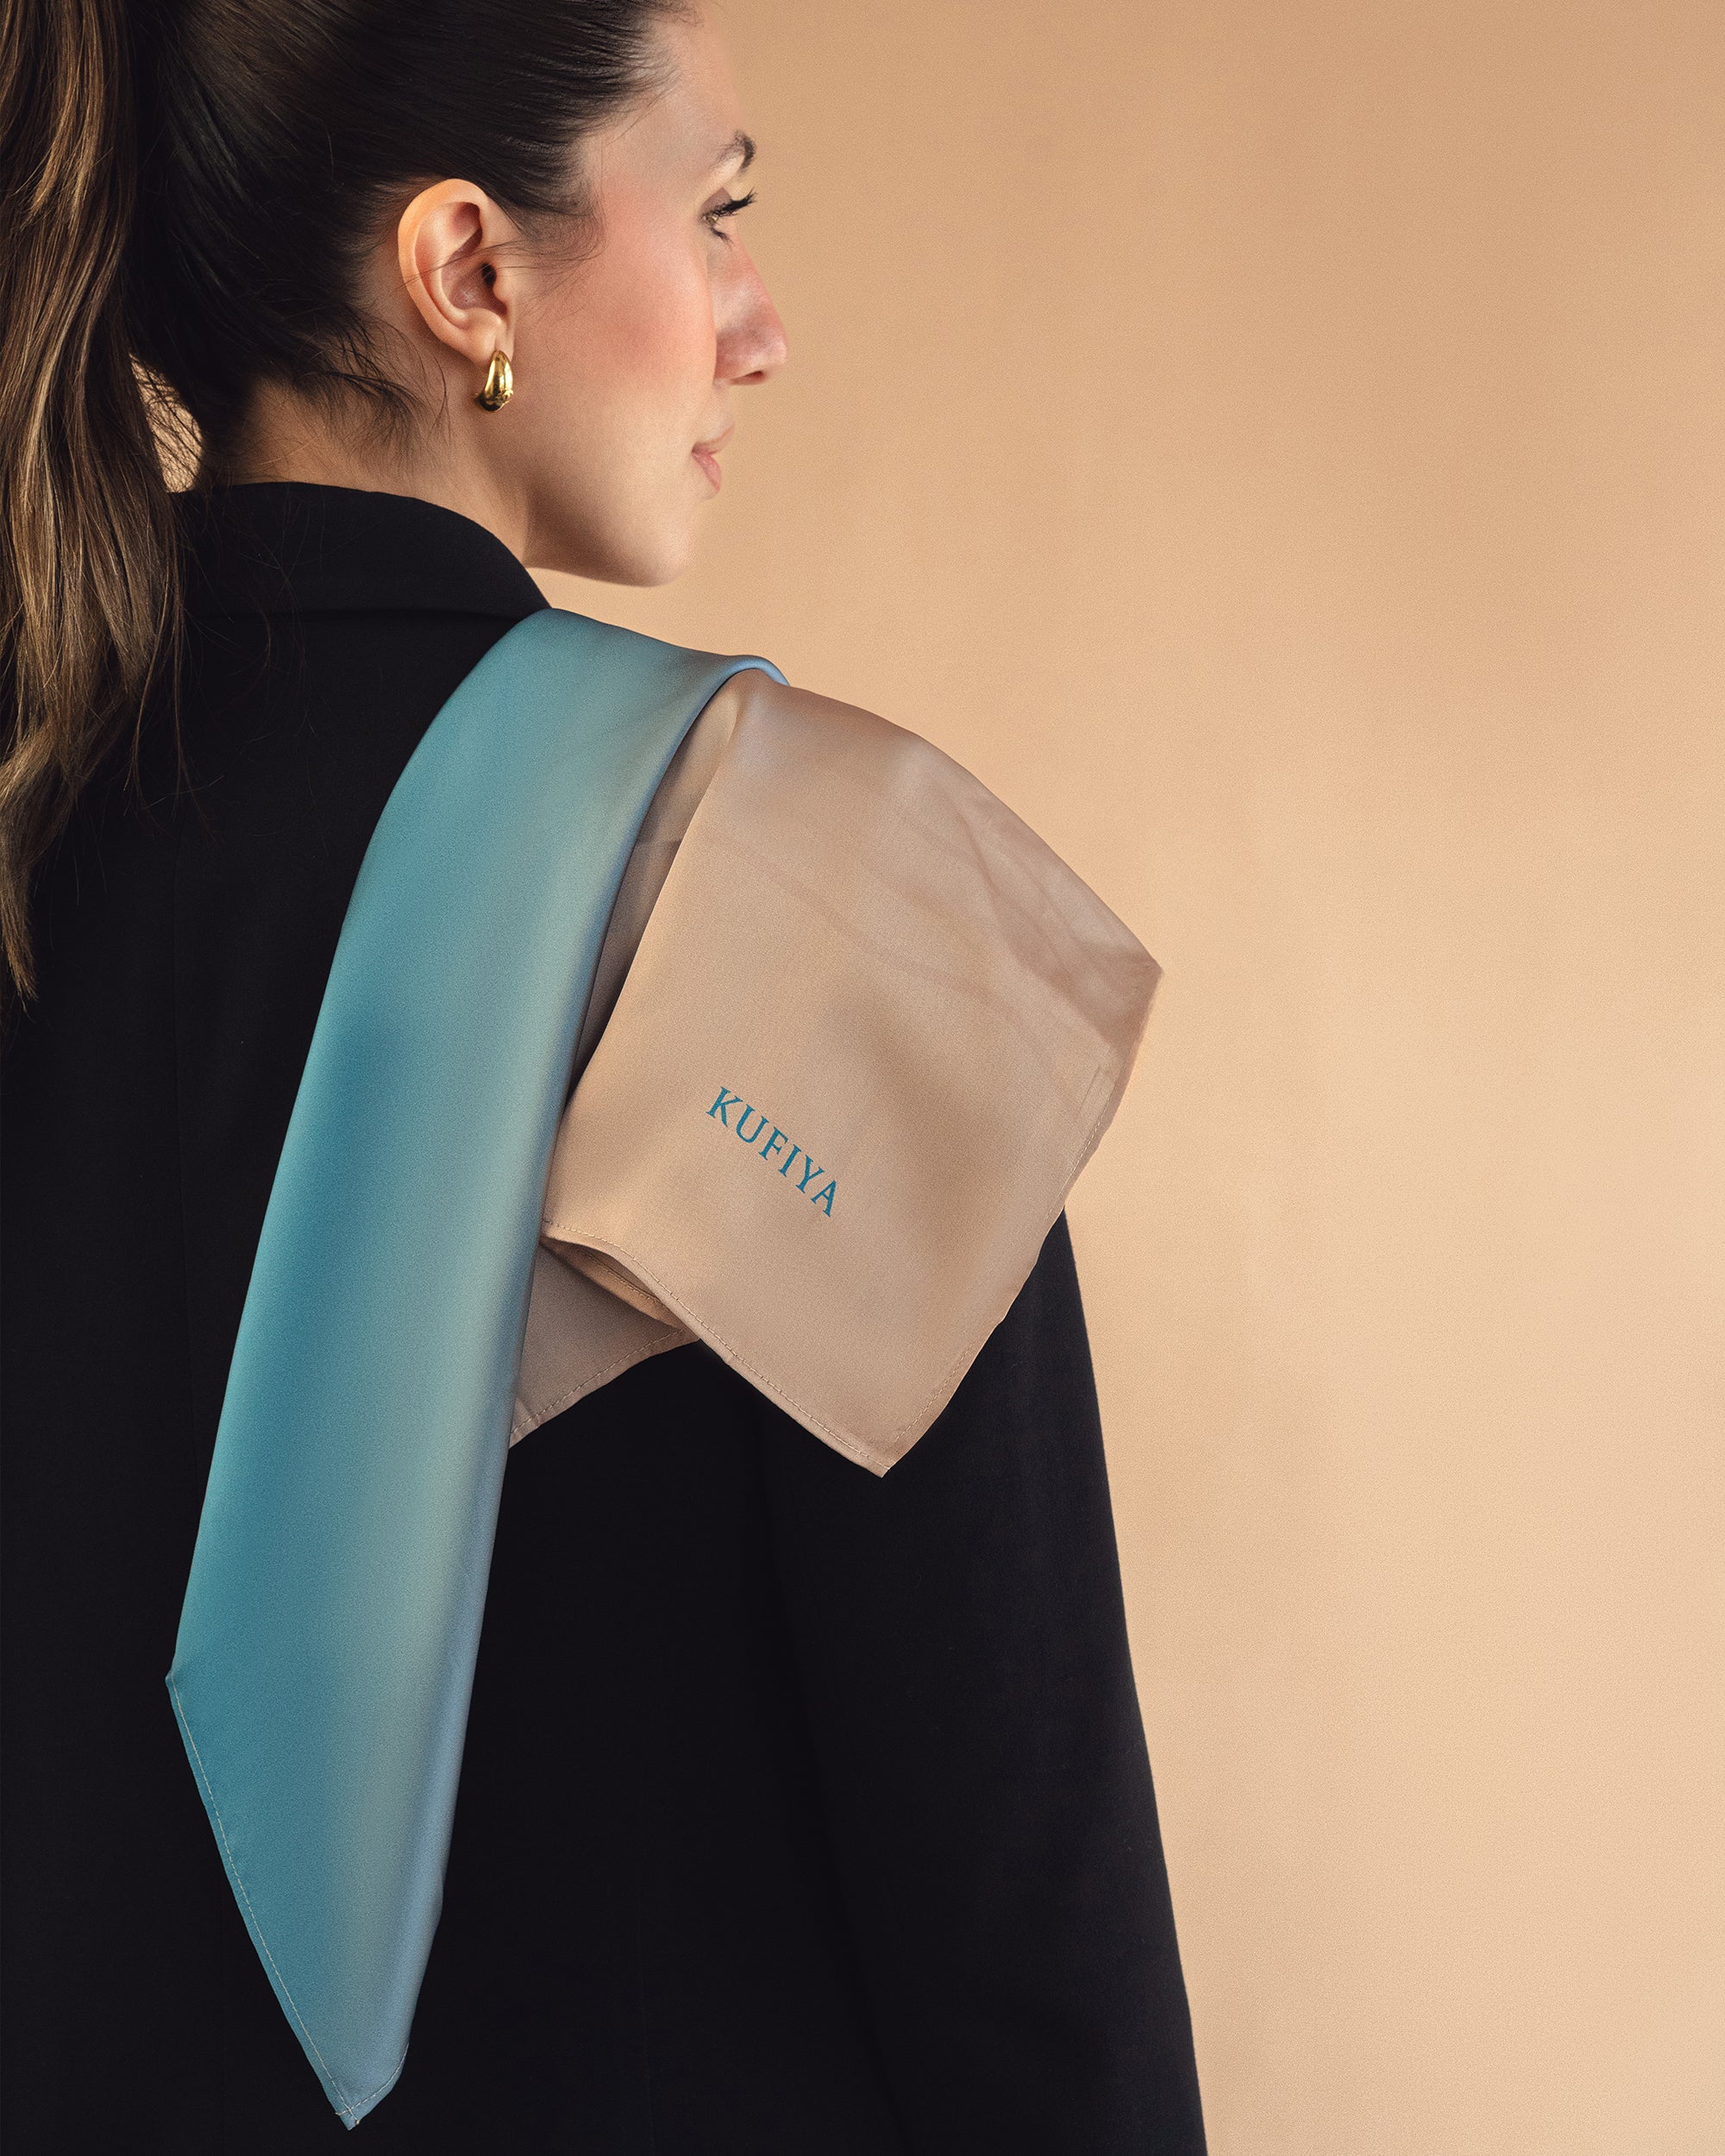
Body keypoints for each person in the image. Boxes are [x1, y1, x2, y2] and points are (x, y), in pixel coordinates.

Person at [0, 0, 1208, 2147]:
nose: (760, 325)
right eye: (718, 210)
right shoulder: (804, 903)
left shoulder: (36, 839)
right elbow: (1023, 1949)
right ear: (468, 270)